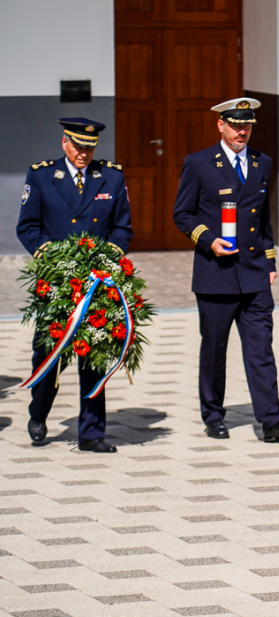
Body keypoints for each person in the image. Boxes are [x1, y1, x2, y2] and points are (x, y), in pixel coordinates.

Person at [173, 97, 279, 442]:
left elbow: (262, 219)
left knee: (261, 349)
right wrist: (209, 241)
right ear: (221, 124)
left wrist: (271, 261)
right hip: (216, 273)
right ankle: (213, 414)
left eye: (247, 125)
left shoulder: (262, 162)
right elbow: (183, 214)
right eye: (235, 125)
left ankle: (273, 420)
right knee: (215, 349)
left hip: (254, 274)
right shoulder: (199, 163)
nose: (241, 131)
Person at [16, 118, 132, 453]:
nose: (84, 153)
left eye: (90, 147)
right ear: (64, 142)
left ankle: (92, 433)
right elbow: (28, 227)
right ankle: (39, 412)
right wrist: (56, 261)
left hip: (96, 283)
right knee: (49, 354)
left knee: (94, 355)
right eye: (78, 146)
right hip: (57, 283)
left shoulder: (111, 175)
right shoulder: (40, 175)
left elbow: (122, 228)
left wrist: (104, 260)